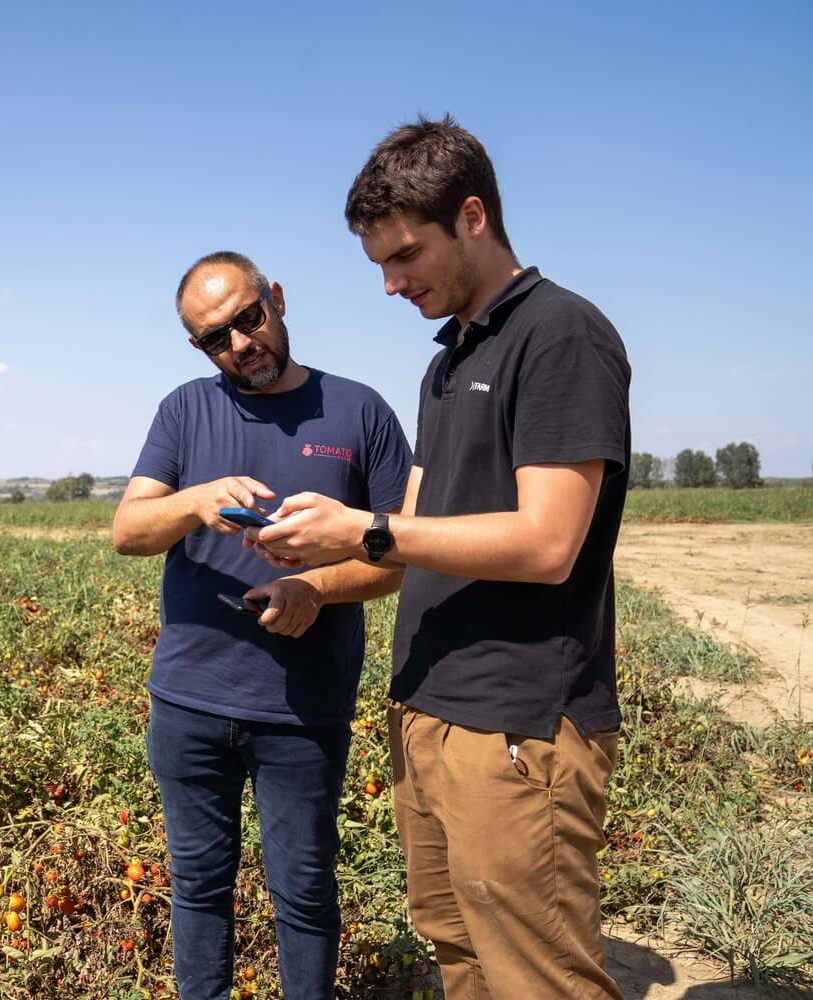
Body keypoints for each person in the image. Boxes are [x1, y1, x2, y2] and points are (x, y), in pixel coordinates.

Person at [248, 117, 631, 999]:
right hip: (430, 710)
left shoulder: (561, 336)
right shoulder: (449, 360)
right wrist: (316, 557)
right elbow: (412, 528)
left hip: (517, 725)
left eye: (405, 256)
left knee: (537, 978)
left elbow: (548, 542)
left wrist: (369, 530)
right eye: (379, 264)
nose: (390, 285)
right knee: (460, 957)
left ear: (472, 217)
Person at [111, 251, 412, 999]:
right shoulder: (186, 409)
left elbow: (402, 555)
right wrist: (194, 500)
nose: (241, 343)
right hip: (188, 703)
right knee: (199, 889)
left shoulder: (361, 411)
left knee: (305, 893)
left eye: (249, 318)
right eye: (217, 337)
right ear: (199, 348)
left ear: (276, 299)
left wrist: (313, 586)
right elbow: (127, 530)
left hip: (303, 709)